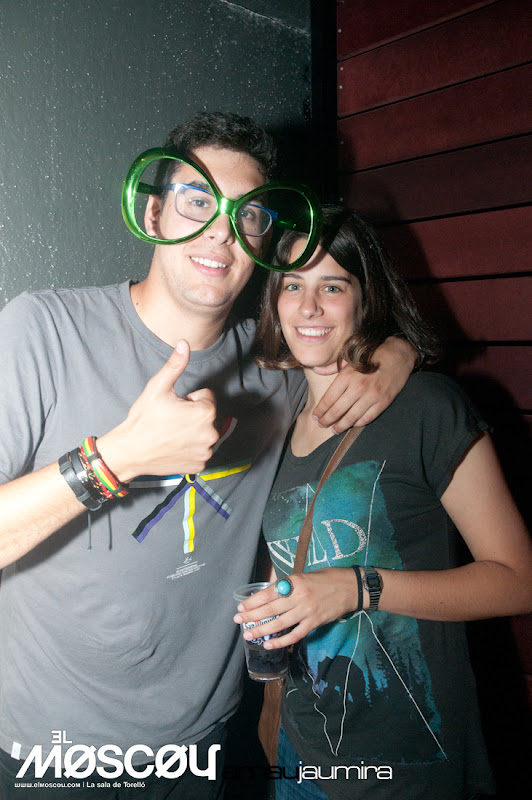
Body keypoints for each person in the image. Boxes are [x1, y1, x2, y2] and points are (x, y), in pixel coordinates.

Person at [0, 114, 417, 799]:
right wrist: (116, 459)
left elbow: (362, 329)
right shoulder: (42, 331)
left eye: (246, 214)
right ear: (154, 214)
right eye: (198, 200)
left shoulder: (278, 369)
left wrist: (397, 353)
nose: (222, 231)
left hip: (201, 746)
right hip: (53, 749)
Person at [234, 206, 532, 800]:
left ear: (364, 299)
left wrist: (358, 588)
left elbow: (519, 581)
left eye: (332, 286)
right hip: (300, 750)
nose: (308, 307)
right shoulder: (276, 418)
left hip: (408, 766)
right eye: (292, 285)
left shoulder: (426, 407)